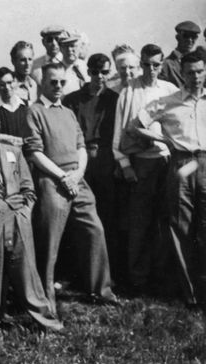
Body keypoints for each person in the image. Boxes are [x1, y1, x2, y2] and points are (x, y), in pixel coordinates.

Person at [0, 112, 64, 338]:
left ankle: (47, 322)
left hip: (18, 222)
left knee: (28, 277)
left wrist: (24, 212)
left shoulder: (13, 153)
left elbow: (29, 189)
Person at [25, 62, 120, 312]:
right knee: (50, 241)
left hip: (77, 179)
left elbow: (81, 146)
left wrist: (77, 174)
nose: (58, 87)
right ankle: (46, 298)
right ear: (42, 83)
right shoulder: (34, 111)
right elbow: (34, 152)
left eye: (61, 82)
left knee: (95, 230)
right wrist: (62, 177)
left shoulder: (67, 111)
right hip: (51, 180)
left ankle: (101, 290)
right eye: (52, 82)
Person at [127, 50, 206, 309]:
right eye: (190, 72)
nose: (195, 77)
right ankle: (190, 295)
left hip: (205, 163)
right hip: (183, 164)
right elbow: (134, 125)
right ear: (181, 74)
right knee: (181, 227)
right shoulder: (168, 101)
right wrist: (163, 139)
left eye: (200, 71)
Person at [112, 43, 178, 295]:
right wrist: (126, 165)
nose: (151, 70)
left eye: (156, 65)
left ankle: (161, 277)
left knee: (165, 220)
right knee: (140, 222)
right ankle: (137, 280)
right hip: (140, 162)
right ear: (141, 64)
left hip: (167, 161)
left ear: (162, 65)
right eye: (147, 64)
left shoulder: (170, 90)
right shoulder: (128, 91)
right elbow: (119, 133)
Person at [63, 53, 121, 283]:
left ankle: (107, 273)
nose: (100, 77)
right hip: (81, 160)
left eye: (105, 72)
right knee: (80, 216)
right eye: (95, 72)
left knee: (107, 215)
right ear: (88, 72)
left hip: (106, 160)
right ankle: (77, 271)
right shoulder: (73, 100)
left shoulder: (115, 99)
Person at [0, 67, 29, 141]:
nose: (7, 87)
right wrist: (17, 140)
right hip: (4, 151)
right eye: (2, 84)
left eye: (9, 83)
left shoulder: (28, 106)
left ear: (16, 82)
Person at [0, 41, 39, 105]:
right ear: (13, 61)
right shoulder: (6, 86)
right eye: (23, 60)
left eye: (30, 59)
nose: (27, 64)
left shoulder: (33, 84)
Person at [160, 21, 202, 88]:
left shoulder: (200, 64)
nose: (190, 40)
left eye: (193, 37)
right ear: (177, 37)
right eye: (186, 36)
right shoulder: (165, 64)